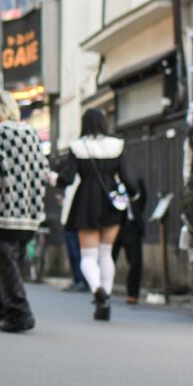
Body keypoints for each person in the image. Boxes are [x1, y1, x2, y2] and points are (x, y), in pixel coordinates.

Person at [50, 107, 136, 321]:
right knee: (106, 253)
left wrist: (51, 177)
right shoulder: (117, 145)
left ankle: (97, 290)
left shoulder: (79, 147)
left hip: (86, 202)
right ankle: (105, 296)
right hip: (110, 203)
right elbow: (128, 178)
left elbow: (67, 179)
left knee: (88, 256)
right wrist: (133, 196)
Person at [0, 91, 48, 333]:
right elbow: (43, 166)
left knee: (8, 265)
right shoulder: (30, 132)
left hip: (5, 209)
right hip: (29, 210)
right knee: (12, 265)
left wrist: (2, 171)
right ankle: (0, 312)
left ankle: (20, 314)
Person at [112, 179, 146, 304]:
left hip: (131, 225)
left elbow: (142, 200)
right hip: (113, 224)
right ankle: (103, 290)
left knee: (135, 261)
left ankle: (133, 294)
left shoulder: (135, 180)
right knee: (108, 258)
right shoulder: (108, 180)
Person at [59, 178, 86, 291]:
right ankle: (77, 279)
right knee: (72, 254)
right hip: (67, 222)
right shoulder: (70, 184)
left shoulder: (81, 182)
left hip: (77, 223)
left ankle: (81, 280)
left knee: (77, 254)